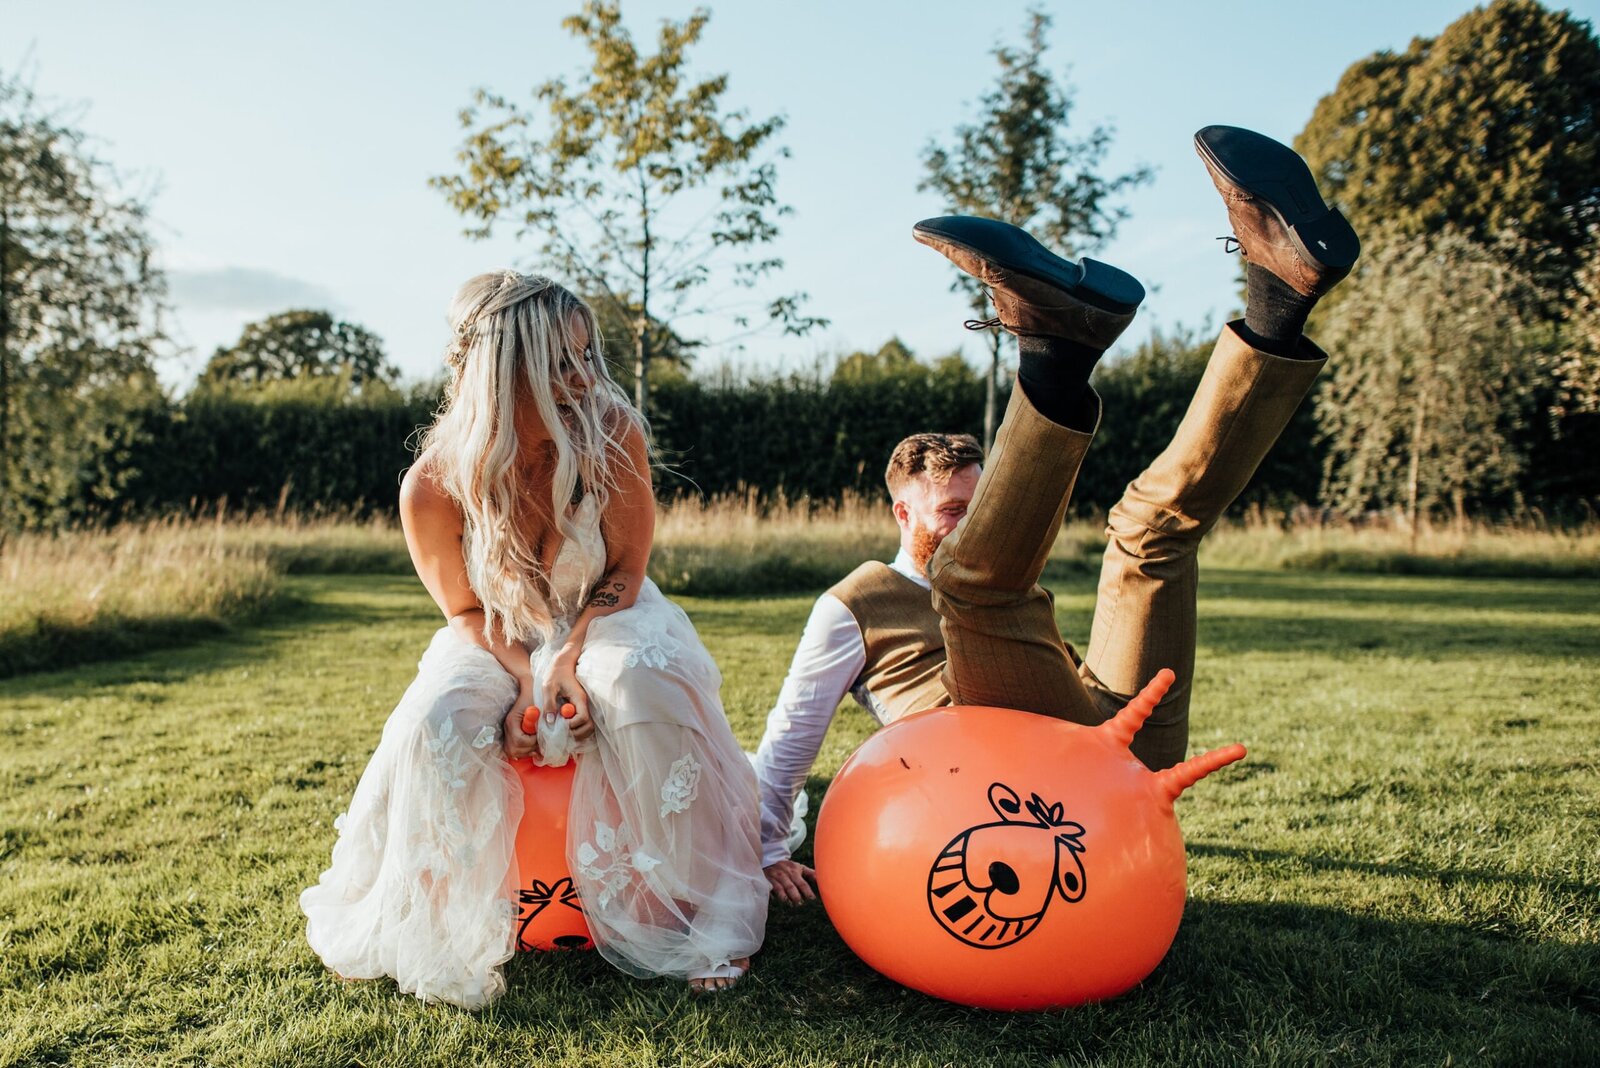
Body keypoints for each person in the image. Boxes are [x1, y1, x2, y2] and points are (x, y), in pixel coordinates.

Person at [753, 124, 1361, 905]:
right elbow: (786, 745)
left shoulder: (990, 579)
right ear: (899, 508)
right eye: (950, 511)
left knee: (1148, 532)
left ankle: (1279, 295)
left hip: (1106, 744)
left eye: (985, 504)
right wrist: (770, 849)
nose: (972, 524)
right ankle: (1056, 350)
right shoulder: (855, 602)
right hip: (1015, 783)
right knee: (971, 584)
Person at [300, 271, 767, 1005]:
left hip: (607, 611)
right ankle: (429, 912)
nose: (584, 378)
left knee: (638, 681)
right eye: (560, 363)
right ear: (499, 370)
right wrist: (524, 676)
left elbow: (629, 569)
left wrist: (574, 653)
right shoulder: (430, 485)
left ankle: (701, 903)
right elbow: (462, 610)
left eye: (587, 356)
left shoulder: (614, 433)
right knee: (433, 720)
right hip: (497, 629)